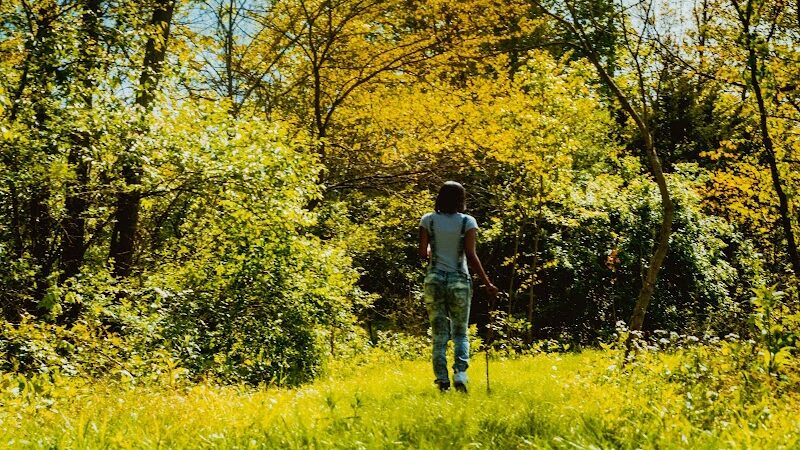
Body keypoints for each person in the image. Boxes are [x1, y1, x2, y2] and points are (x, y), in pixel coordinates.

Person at [418, 181, 498, 392]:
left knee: (439, 334)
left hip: (434, 280)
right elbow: (471, 255)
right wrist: (487, 283)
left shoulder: (428, 220)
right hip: (459, 281)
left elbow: (422, 253)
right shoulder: (467, 222)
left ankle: (442, 380)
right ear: (461, 199)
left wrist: (433, 253)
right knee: (460, 332)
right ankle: (460, 373)